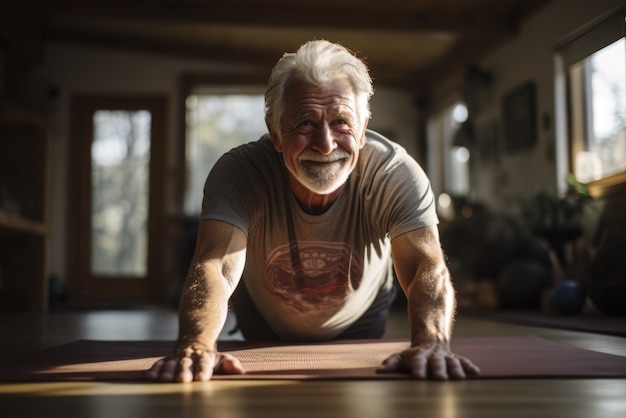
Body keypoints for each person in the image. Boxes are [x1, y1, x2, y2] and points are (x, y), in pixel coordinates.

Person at [147, 40, 480, 383]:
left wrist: (432, 342)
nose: (325, 144)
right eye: (305, 123)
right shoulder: (241, 172)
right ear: (275, 132)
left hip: (361, 327)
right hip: (261, 331)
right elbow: (215, 263)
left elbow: (425, 264)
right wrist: (197, 344)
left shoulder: (393, 172)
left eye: (340, 122)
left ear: (363, 128)